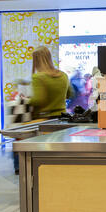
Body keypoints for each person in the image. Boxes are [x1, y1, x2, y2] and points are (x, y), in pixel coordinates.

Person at [13, 46, 74, 174]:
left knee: (19, 137)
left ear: (36, 60)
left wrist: (27, 99)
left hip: (44, 121)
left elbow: (39, 101)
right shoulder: (63, 75)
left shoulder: (38, 77)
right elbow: (69, 94)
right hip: (62, 120)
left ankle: (21, 169)